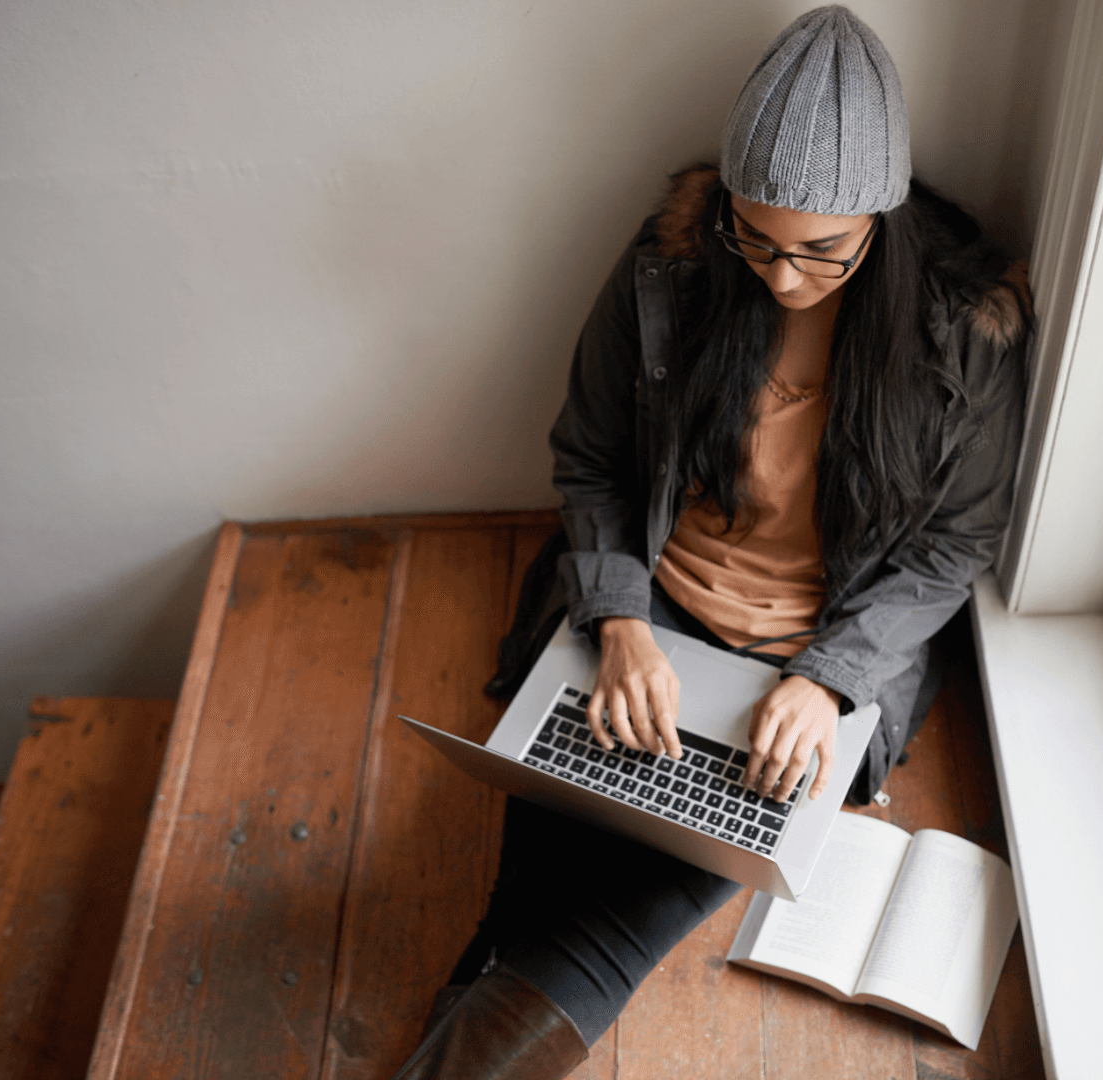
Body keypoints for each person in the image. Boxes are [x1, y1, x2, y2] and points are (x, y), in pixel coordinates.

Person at [390, 7, 1029, 1078]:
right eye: (757, 240)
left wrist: (825, 683)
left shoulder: (962, 331)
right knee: (550, 853)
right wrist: (620, 623)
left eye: (821, 251)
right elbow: (590, 456)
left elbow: (951, 546)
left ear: (881, 212)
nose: (781, 279)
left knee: (604, 924)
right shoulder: (674, 268)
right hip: (653, 608)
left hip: (808, 657)